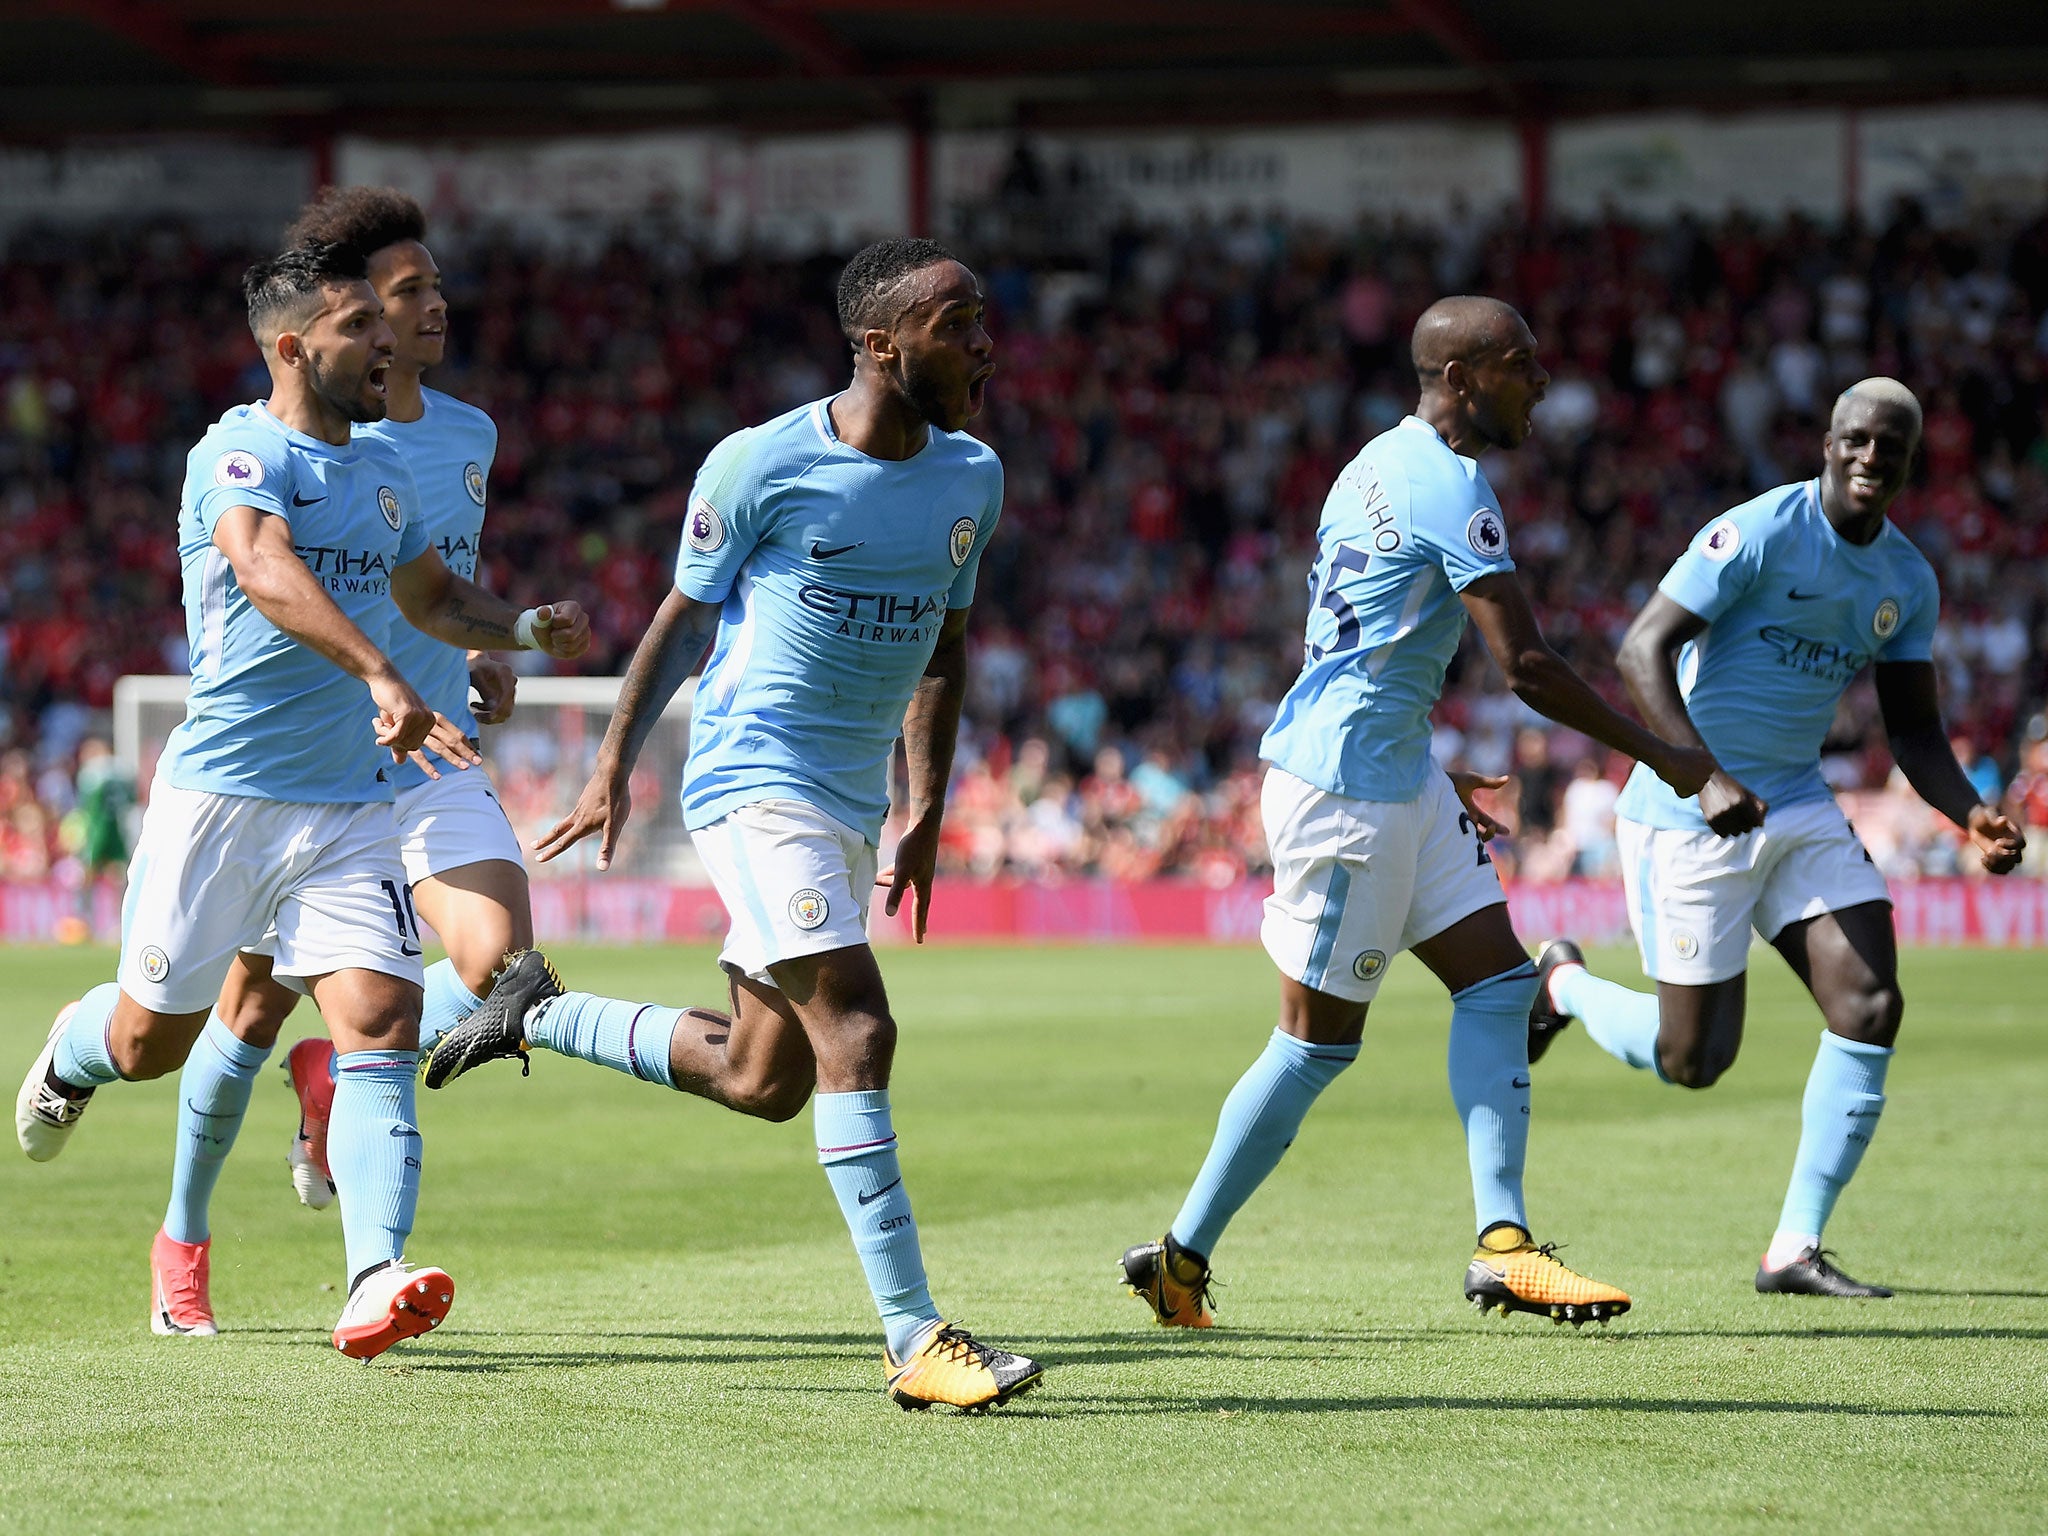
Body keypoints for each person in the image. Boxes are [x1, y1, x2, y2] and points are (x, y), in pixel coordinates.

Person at [425, 238, 1043, 1413]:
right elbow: (677, 619)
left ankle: (535, 1009)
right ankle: (915, 1339)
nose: (983, 345)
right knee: (857, 1029)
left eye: (978, 322)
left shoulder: (973, 476)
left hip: (854, 795)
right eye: (956, 325)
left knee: (767, 1079)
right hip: (754, 778)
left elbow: (943, 653)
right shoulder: (761, 463)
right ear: (879, 345)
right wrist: (611, 762)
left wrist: (921, 807)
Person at [13, 241, 588, 1359]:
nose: (384, 343)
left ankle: (374, 1274)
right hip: (224, 800)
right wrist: (375, 676)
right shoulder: (237, 452)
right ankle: (69, 1048)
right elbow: (264, 564)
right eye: (358, 327)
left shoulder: (382, 468)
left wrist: (518, 628)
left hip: (348, 805)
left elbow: (426, 593)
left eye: (386, 322)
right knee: (146, 1046)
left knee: (378, 1019)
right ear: (293, 347)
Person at [1120, 296, 1719, 1331]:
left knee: (1495, 986)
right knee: (1314, 1047)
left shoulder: (1370, 464)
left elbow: (1369, 649)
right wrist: (1664, 754)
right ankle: (1177, 1260)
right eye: (1519, 365)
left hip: (1391, 773)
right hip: (1344, 792)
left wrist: (1428, 774)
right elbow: (1524, 666)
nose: (1538, 383)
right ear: (1460, 377)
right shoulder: (1449, 486)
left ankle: (1504, 1247)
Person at [1527, 379, 2024, 1299]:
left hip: (1793, 801)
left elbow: (1913, 732)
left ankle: (1792, 1249)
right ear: (1829, 444)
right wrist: (1700, 774)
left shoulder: (1907, 580)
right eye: (1860, 440)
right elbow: (1642, 649)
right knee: (1695, 1062)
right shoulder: (1757, 532)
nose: (1874, 458)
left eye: (1894, 448)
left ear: (1911, 464)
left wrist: (1971, 812)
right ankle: (1563, 982)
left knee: (1871, 1004)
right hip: (1688, 809)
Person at [154, 188, 531, 1257]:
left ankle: (365, 1207)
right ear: (340, 313)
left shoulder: (467, 433)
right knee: (246, 1010)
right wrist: (378, 671)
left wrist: (486, 647)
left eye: (429, 289)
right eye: (400, 294)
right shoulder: (267, 446)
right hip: (304, 755)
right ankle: (186, 1230)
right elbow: (286, 565)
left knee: (495, 969)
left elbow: (433, 583)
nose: (428, 309)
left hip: (426, 749)